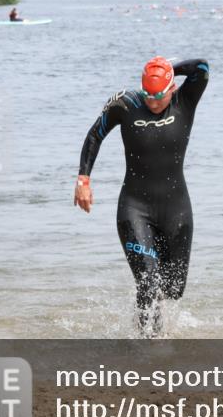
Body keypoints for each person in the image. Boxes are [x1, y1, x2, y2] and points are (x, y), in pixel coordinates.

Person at [74, 56, 209, 336]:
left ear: (172, 88)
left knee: (172, 290)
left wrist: (169, 67)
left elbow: (202, 67)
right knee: (148, 282)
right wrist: (83, 179)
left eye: (159, 95)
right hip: (135, 208)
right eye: (148, 94)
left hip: (176, 209)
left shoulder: (184, 100)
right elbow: (94, 135)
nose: (152, 101)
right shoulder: (125, 104)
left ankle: (155, 336)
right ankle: (147, 346)